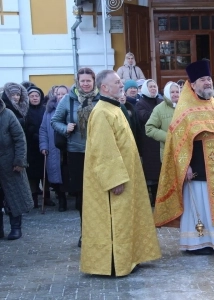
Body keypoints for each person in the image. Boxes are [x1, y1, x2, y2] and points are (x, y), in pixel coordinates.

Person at [153, 60, 214, 255]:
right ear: (193, 84)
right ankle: (199, 243)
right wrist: (183, 166)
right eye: (202, 80)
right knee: (201, 202)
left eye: (208, 79)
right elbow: (177, 141)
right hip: (196, 164)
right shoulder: (185, 108)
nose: (207, 83)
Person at [80, 70, 161, 276]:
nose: (121, 84)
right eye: (117, 82)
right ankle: (116, 261)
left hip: (128, 174)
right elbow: (104, 150)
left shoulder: (115, 108)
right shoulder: (101, 112)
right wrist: (114, 179)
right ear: (105, 87)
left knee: (128, 217)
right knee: (117, 219)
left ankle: (131, 256)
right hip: (116, 180)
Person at [51, 67, 100, 247]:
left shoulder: (101, 99)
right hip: (76, 153)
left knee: (100, 194)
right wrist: (65, 129)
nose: (86, 84)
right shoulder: (68, 100)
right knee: (82, 195)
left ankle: (102, 231)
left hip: (98, 152)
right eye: (83, 81)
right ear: (78, 82)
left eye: (89, 80)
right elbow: (54, 121)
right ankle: (85, 232)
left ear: (94, 81)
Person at [0, 96, 33, 240]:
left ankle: (16, 228)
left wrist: (20, 161)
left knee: (14, 196)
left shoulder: (8, 115)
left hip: (9, 163)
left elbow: (20, 138)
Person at [39, 86, 70, 212]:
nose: (61, 96)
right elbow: (43, 130)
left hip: (68, 148)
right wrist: (44, 146)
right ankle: (61, 199)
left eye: (64, 94)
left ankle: (77, 198)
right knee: (56, 175)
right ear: (54, 95)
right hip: (53, 148)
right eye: (58, 94)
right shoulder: (49, 111)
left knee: (69, 173)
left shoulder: (71, 108)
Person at [26, 86, 54, 208]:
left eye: (36, 96)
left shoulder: (45, 109)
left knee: (45, 171)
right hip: (31, 146)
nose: (34, 98)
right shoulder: (25, 111)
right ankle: (34, 198)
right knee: (33, 174)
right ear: (28, 98)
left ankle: (46, 196)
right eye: (32, 96)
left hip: (45, 144)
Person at [136, 79, 163, 206]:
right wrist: (159, 114)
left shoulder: (160, 101)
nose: (153, 89)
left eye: (154, 86)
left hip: (161, 141)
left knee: (161, 170)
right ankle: (153, 198)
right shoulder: (140, 103)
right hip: (148, 142)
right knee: (151, 172)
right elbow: (145, 117)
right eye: (150, 87)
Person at [145, 81, 180, 162]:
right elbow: (149, 128)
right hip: (168, 151)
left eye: (177, 92)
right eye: (172, 92)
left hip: (185, 150)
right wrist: (168, 137)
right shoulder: (159, 109)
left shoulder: (184, 107)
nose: (175, 94)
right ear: (167, 93)